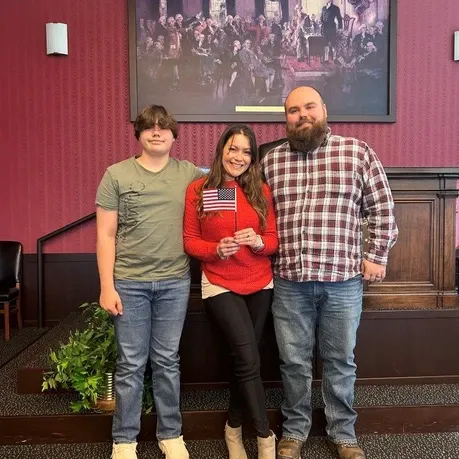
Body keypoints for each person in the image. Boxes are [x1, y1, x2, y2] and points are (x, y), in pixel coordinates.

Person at [260, 86, 398, 459]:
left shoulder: (357, 152)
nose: (302, 114)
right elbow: (253, 210)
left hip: (343, 282)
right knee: (293, 362)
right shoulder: (271, 162)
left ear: (324, 110)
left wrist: (376, 255)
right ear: (286, 118)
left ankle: (343, 434)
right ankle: (294, 431)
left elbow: (382, 208)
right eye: (293, 110)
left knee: (340, 361)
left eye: (309, 107)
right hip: (289, 282)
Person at [95, 105, 204, 459]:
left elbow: (225, 186)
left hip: (174, 282)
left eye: (163, 126)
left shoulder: (189, 173)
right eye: (149, 127)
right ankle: (124, 440)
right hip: (129, 283)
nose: (156, 131)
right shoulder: (116, 175)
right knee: (130, 363)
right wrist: (107, 287)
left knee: (167, 361)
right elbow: (105, 235)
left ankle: (170, 434)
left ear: (173, 135)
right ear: (139, 134)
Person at [183, 124, 279, 459]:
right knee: (248, 358)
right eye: (232, 148)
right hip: (220, 282)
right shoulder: (201, 190)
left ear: (253, 158)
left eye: (246, 151)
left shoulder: (259, 190)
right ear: (221, 149)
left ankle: (233, 427)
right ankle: (265, 437)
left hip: (260, 281)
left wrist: (258, 241)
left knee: (245, 359)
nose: (238, 157)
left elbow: (273, 241)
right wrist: (215, 249)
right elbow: (191, 240)